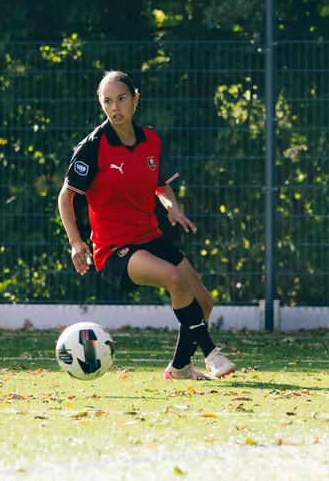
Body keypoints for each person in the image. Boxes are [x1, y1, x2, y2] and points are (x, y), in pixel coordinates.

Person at [57, 71, 236, 380]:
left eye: (122, 99)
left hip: (149, 236)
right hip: (113, 250)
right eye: (108, 101)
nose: (115, 108)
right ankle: (211, 354)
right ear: (102, 105)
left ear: (135, 99)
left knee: (204, 301)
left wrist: (172, 208)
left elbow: (161, 186)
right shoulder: (93, 147)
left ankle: (180, 368)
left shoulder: (151, 140)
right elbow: (66, 197)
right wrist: (76, 242)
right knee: (174, 279)